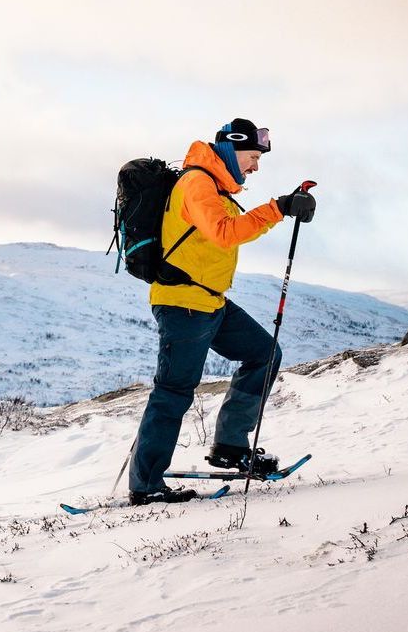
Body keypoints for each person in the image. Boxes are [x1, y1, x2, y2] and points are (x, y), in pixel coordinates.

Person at [128, 118, 316, 505]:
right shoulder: (197, 184)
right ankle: (145, 485)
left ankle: (230, 446)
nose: (255, 166)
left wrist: (282, 206)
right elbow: (226, 232)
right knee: (174, 392)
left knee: (265, 353)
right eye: (252, 157)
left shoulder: (213, 186)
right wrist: (278, 208)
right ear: (231, 151)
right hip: (184, 304)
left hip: (210, 302)